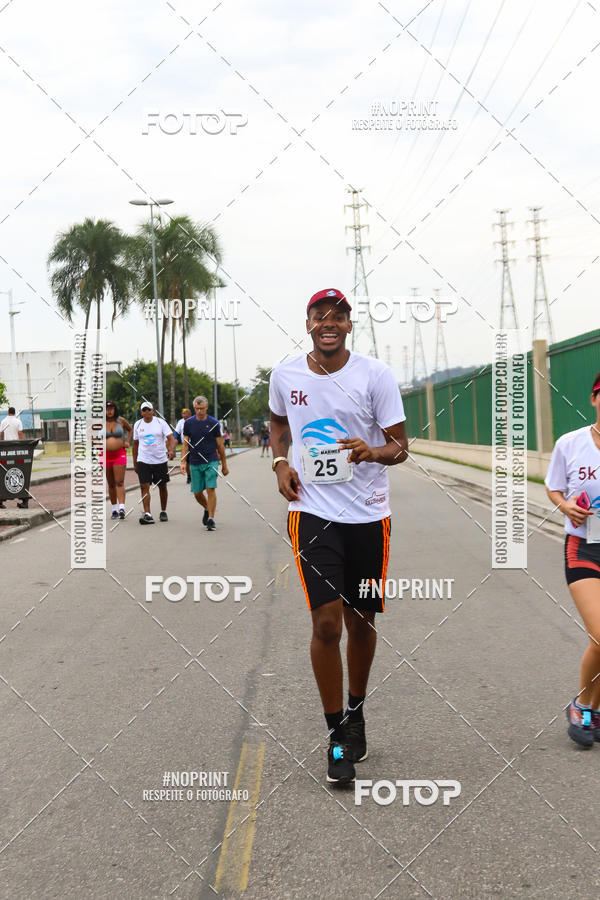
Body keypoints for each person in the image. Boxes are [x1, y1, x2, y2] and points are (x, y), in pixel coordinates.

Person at [269, 288, 408, 785]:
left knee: (361, 619)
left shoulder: (375, 375)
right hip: (312, 512)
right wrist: (280, 461)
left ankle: (356, 710)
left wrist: (371, 451)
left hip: (369, 515)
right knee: (327, 623)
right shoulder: (286, 374)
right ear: (307, 322)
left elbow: (400, 446)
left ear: (349, 324)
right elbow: (279, 422)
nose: (329, 322)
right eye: (319, 315)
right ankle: (335, 735)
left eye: (339, 316)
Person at [545, 371, 600, 748]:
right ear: (595, 398)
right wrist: (566, 505)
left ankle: (594, 710)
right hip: (583, 547)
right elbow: (554, 487)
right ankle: (582, 704)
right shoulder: (572, 443)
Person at [180, 395, 229, 532]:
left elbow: (220, 445)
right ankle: (207, 508)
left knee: (210, 489)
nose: (199, 411)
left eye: (201, 408)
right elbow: (185, 443)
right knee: (197, 493)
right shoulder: (188, 423)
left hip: (211, 460)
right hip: (194, 461)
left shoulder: (214, 422)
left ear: (206, 408)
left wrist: (224, 465)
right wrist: (183, 461)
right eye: (196, 408)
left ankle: (211, 519)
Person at [132, 401, 175, 524]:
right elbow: (135, 444)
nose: (146, 412)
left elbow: (171, 438)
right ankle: (147, 513)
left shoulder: (160, 423)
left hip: (160, 460)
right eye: (144, 410)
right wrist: (135, 462)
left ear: (153, 411)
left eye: (148, 410)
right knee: (144, 486)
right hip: (143, 460)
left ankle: (163, 511)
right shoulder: (138, 424)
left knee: (162, 486)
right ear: (141, 412)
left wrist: (171, 450)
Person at [103, 401, 133, 519]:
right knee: (110, 484)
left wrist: (127, 442)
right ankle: (114, 509)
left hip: (119, 455)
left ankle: (122, 508)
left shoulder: (121, 420)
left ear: (115, 409)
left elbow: (130, 430)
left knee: (119, 481)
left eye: (111, 408)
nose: (109, 411)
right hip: (105, 456)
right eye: (107, 408)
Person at [0, 407, 26, 509]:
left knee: (4, 471)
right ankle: (23, 497)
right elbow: (20, 434)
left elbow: (1, 435)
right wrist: (21, 444)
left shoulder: (3, 421)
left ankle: (1, 500)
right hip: (16, 448)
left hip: (6, 449)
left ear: (8, 412)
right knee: (19, 469)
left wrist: (2, 444)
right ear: (14, 413)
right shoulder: (18, 421)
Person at [174, 408, 192, 484]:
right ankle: (189, 476)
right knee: (187, 462)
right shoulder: (180, 422)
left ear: (189, 414)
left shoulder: (194, 421)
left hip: (194, 445)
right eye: (183, 413)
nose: (183, 415)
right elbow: (176, 433)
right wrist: (174, 440)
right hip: (185, 445)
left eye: (185, 413)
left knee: (195, 462)